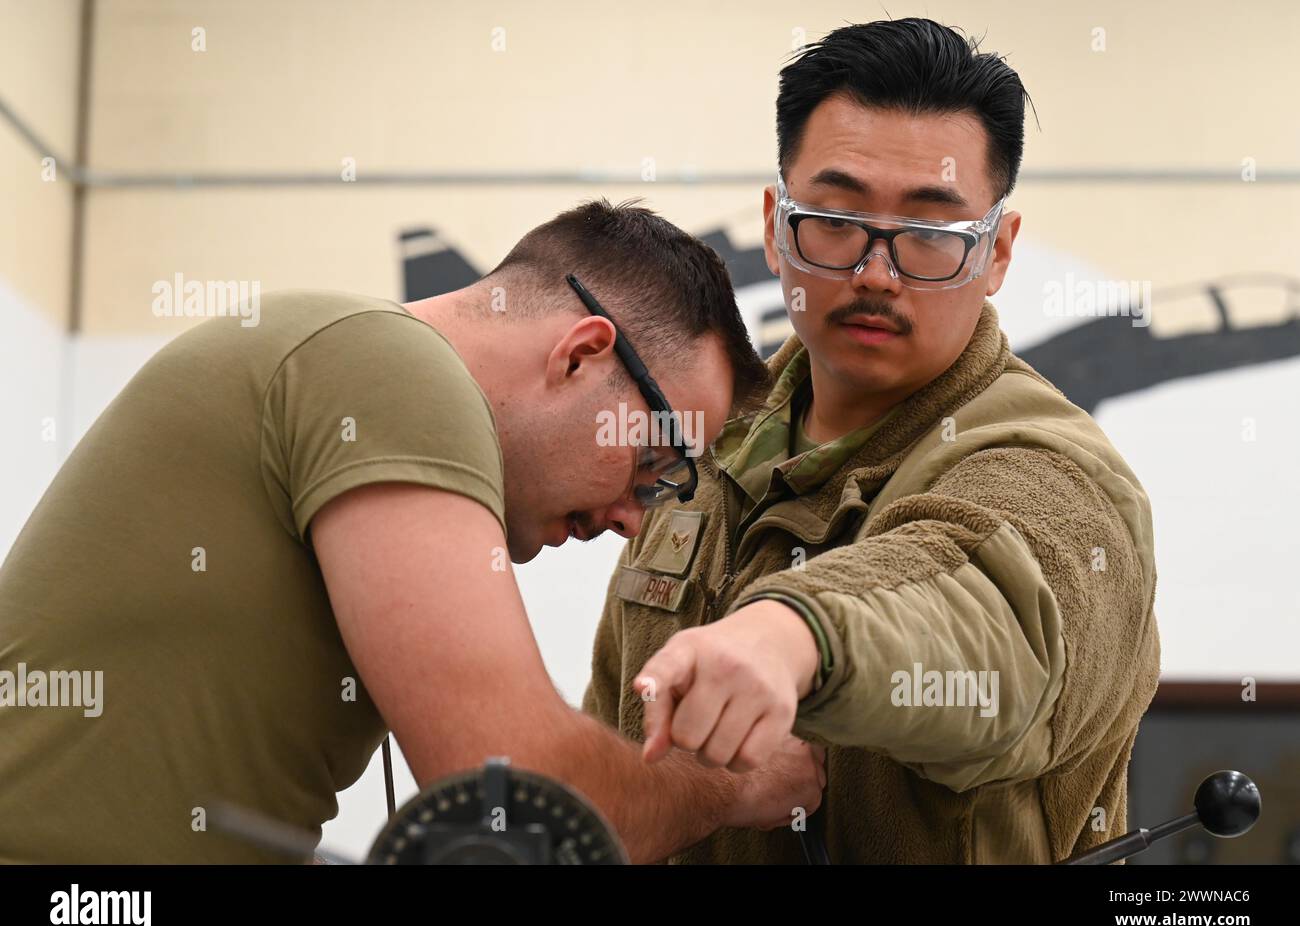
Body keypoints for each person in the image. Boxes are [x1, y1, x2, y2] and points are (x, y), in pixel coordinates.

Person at [0, 199, 825, 863]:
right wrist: (730, 783)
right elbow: (515, 803)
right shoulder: (390, 370)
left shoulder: (348, 362)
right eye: (653, 462)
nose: (635, 520)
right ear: (580, 354)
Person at [584, 19, 1161, 863]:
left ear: (997, 252)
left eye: (931, 234)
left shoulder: (1058, 477)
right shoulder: (703, 454)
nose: (875, 274)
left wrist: (794, 635)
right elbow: (610, 729)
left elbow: (989, 614)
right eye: (837, 220)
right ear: (778, 225)